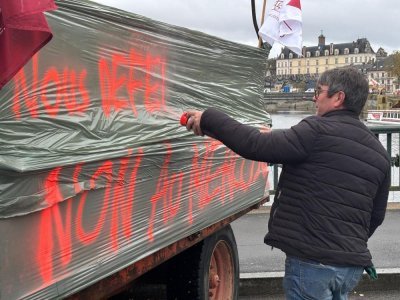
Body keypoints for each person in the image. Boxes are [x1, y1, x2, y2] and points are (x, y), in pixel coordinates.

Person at [185, 67, 390, 300]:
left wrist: (209, 118)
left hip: (313, 261)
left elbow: (255, 145)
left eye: (319, 91)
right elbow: (376, 216)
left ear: (338, 98)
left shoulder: (315, 131)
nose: (314, 97)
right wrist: (346, 242)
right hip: (350, 265)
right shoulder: (379, 152)